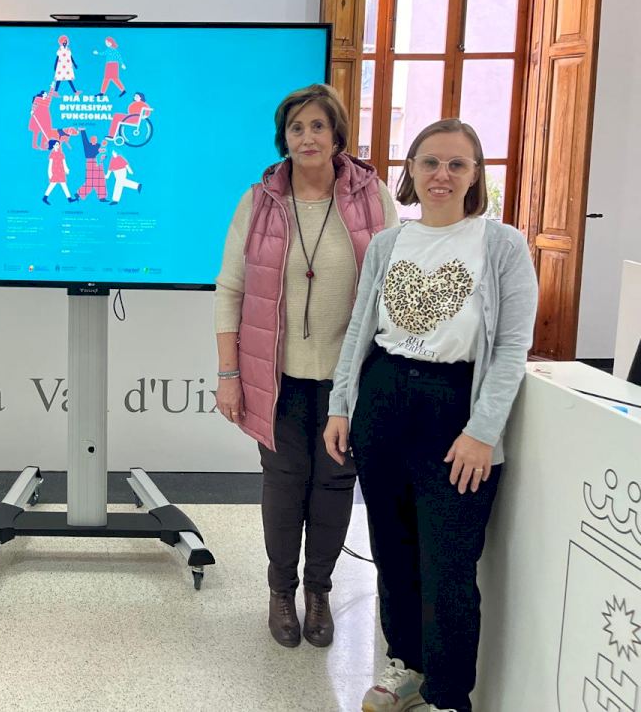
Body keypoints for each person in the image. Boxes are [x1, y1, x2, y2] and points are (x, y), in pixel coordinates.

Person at [323, 119, 538, 712]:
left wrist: (482, 432)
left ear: (475, 176)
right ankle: (407, 667)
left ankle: (448, 695)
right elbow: (359, 332)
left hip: (454, 409)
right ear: (411, 171)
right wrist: (342, 405)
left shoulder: (502, 245)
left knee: (449, 565)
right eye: (430, 162)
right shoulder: (388, 244)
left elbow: (512, 348)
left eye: (456, 164)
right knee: (393, 553)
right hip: (384, 399)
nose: (442, 175)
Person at [214, 83, 397, 650]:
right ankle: (280, 591)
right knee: (283, 484)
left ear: (337, 134)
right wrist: (228, 375)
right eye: (296, 127)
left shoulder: (372, 197)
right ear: (284, 138)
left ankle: (318, 591)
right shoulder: (259, 201)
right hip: (277, 378)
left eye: (318, 125)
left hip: (350, 378)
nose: (307, 137)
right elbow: (230, 290)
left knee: (335, 484)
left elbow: (392, 286)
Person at [43, 138, 76, 204]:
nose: (58, 146)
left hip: (61, 172)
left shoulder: (61, 154)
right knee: (52, 185)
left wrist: (66, 169)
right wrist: (49, 173)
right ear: (53, 146)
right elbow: (50, 165)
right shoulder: (52, 154)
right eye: (57, 144)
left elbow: (64, 163)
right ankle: (45, 198)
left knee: (63, 185)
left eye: (58, 144)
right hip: (55, 172)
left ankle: (69, 199)